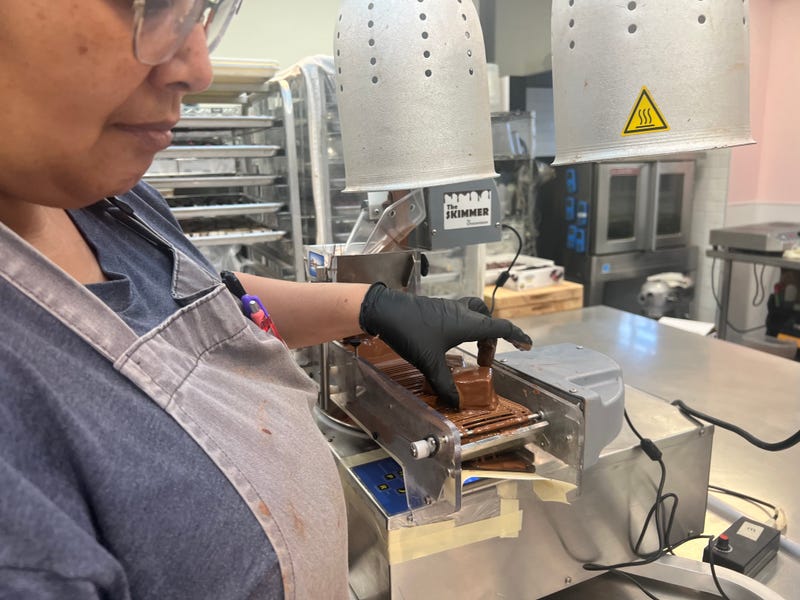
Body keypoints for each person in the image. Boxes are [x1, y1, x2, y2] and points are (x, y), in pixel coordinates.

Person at [0, 1, 532, 598]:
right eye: (146, 5)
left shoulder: (104, 197)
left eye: (202, 10)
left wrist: (370, 305)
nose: (197, 66)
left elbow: (203, 299)